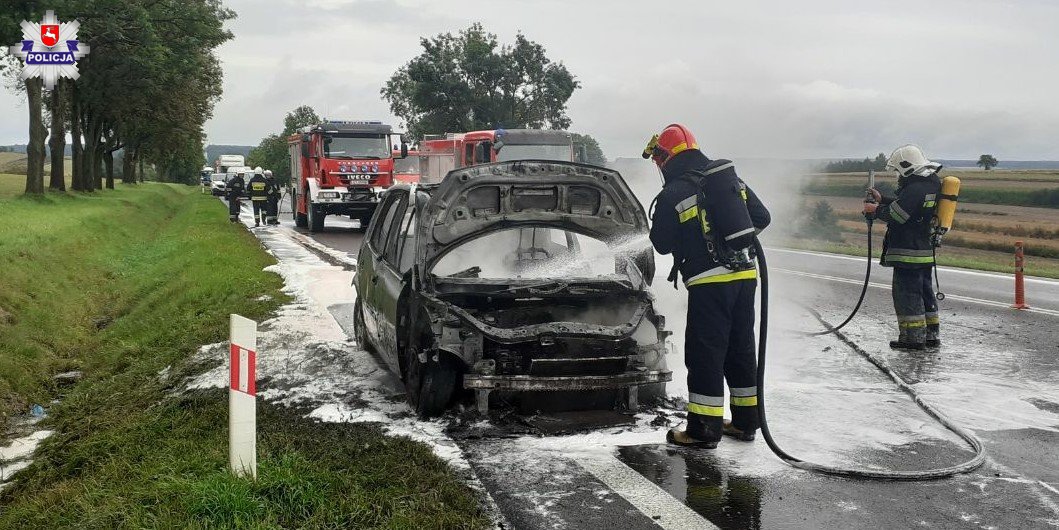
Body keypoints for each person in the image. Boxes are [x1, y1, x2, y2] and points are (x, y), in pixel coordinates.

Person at [645, 124, 771, 448]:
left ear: (666, 158)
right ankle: (746, 423)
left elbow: (660, 243)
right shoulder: (730, 182)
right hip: (745, 277)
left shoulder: (673, 193)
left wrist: (698, 244)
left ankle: (703, 430)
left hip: (709, 283)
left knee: (706, 355)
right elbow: (762, 217)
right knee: (740, 350)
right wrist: (729, 242)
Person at [863, 145, 943, 350]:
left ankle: (913, 339)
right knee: (925, 291)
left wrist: (875, 209)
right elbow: (908, 206)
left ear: (906, 167)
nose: (898, 175)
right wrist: (884, 200)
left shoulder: (915, 188)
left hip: (908, 252)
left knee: (907, 294)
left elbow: (898, 215)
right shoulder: (930, 183)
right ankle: (931, 335)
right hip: (924, 251)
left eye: (898, 170)